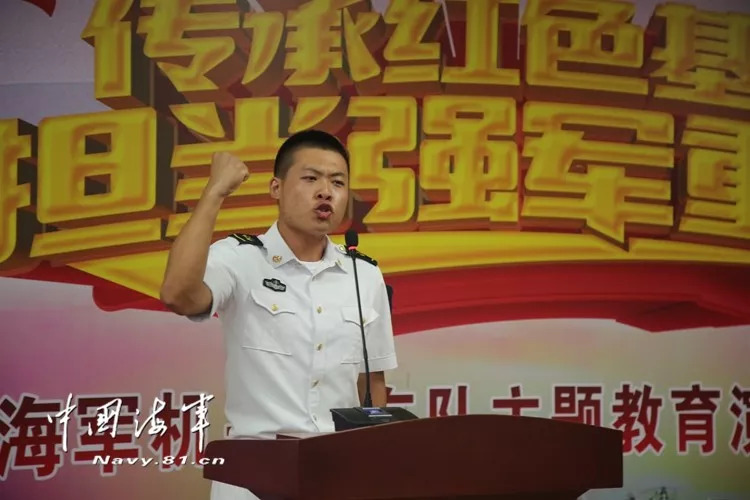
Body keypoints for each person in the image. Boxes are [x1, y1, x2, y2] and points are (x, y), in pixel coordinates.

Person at [159, 130, 398, 500]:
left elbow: (372, 384)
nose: (326, 192)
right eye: (311, 178)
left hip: (338, 476)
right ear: (276, 188)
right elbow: (178, 295)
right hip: (253, 477)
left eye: (337, 182)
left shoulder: (363, 274)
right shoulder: (239, 258)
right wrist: (215, 192)